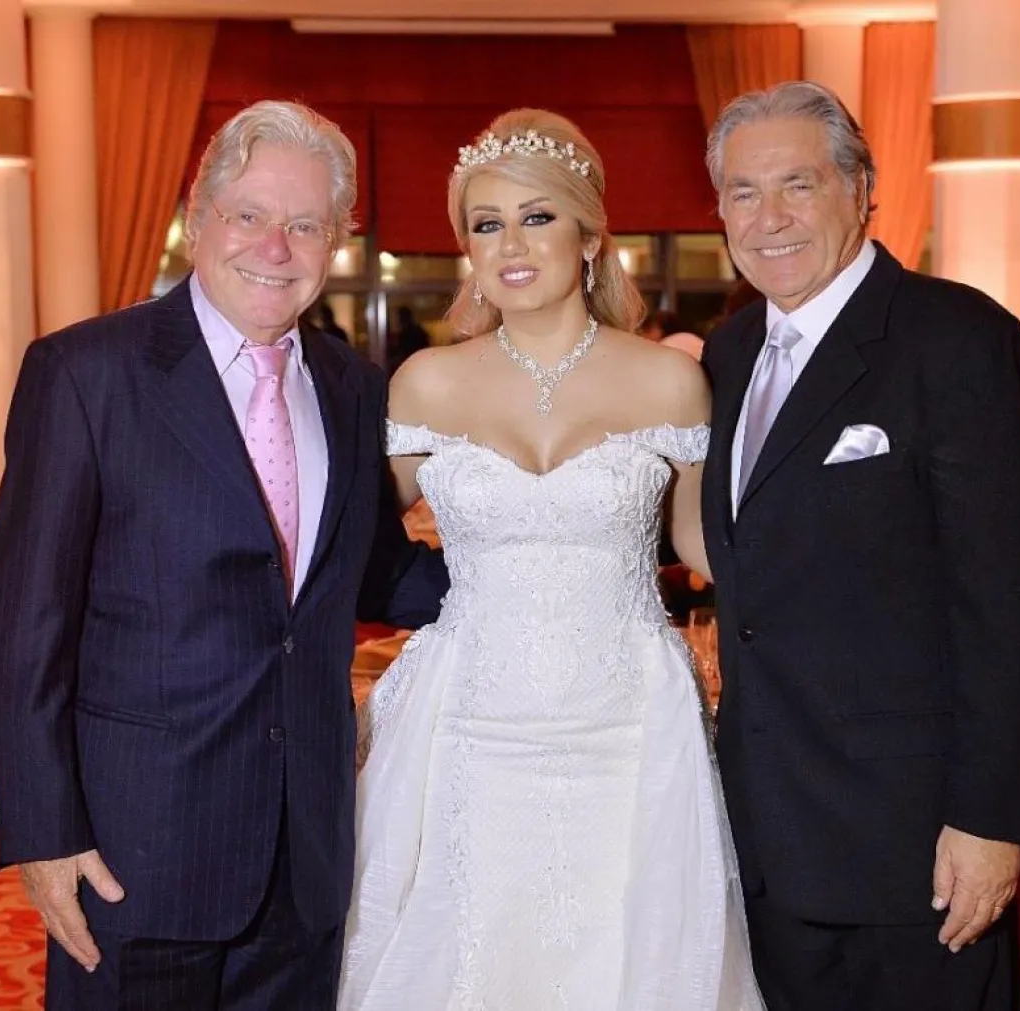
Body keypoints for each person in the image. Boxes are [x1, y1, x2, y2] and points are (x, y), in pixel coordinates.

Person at [0, 100, 446, 1011]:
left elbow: (376, 571)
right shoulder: (84, 374)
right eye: (250, 214)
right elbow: (27, 626)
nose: (275, 246)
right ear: (199, 219)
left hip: (306, 855)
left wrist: (552, 568)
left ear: (336, 241)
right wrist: (42, 829)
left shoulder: (355, 388)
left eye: (305, 224)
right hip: (132, 854)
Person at [337, 109, 763, 1010]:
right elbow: (350, 547)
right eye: (486, 223)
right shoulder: (425, 383)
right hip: (469, 723)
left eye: (537, 217)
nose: (512, 244)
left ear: (591, 234)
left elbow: (707, 548)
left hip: (631, 724)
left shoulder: (669, 380)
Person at [699, 82, 1020, 1011]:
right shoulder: (727, 356)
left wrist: (989, 821)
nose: (770, 218)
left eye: (798, 184)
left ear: (861, 190)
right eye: (743, 192)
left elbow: (1010, 603)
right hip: (764, 843)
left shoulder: (958, 338)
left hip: (914, 852)